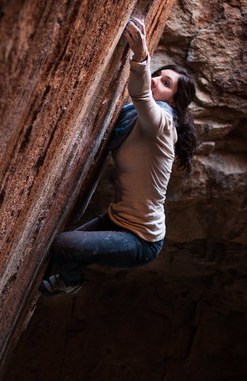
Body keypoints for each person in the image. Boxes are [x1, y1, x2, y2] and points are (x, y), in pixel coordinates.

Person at [40, 17, 197, 297]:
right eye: (157, 74)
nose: (154, 80)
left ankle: (71, 283)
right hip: (117, 218)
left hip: (141, 239)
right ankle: (68, 272)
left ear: (173, 101)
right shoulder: (138, 118)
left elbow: (140, 95)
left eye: (165, 82)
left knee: (65, 245)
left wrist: (141, 57)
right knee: (53, 252)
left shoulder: (163, 125)